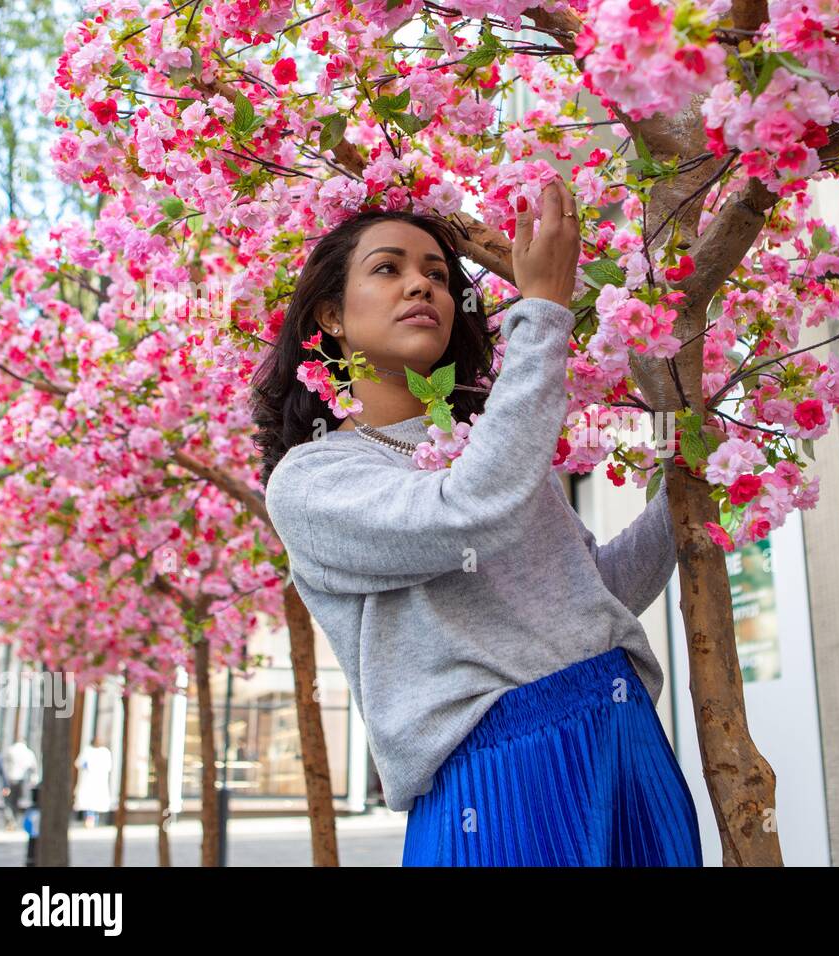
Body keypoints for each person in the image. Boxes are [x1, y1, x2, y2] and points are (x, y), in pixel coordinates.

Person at [252, 179, 702, 866]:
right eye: (388, 268)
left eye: (437, 274)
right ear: (331, 317)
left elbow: (592, 590)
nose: (420, 285)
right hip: (496, 772)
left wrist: (689, 488)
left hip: (624, 735)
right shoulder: (313, 483)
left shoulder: (483, 446)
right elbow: (465, 517)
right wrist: (544, 310)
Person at [73, 736, 112, 828]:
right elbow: (79, 763)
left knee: (95, 802)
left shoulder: (104, 752)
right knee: (89, 802)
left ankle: (93, 819)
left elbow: (108, 766)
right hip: (89, 781)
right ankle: (90, 819)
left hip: (98, 781)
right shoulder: (88, 751)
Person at [2, 737, 39, 831]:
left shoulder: (10, 750)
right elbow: (34, 767)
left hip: (10, 779)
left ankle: (10, 820)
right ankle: (14, 820)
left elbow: (4, 766)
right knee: (18, 801)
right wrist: (34, 778)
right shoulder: (28, 753)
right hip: (23, 780)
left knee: (9, 801)